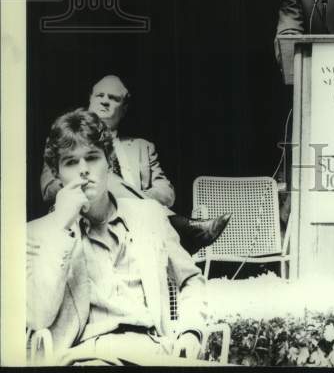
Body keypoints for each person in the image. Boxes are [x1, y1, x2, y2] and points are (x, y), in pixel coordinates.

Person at [28, 109, 207, 363]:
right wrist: (62, 229)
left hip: (155, 352)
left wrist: (191, 331)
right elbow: (38, 316)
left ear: (109, 161)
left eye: (92, 158)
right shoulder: (37, 234)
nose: (83, 170)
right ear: (57, 174)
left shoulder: (150, 215)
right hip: (87, 357)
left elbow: (191, 279)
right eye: (70, 162)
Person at [40, 75, 229, 255]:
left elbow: (166, 192)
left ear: (124, 109)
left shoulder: (142, 147)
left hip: (139, 227)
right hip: (84, 217)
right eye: (100, 95)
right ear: (90, 100)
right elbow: (49, 189)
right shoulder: (66, 140)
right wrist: (92, 186)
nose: (105, 101)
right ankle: (181, 227)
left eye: (113, 98)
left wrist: (128, 200)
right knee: (103, 176)